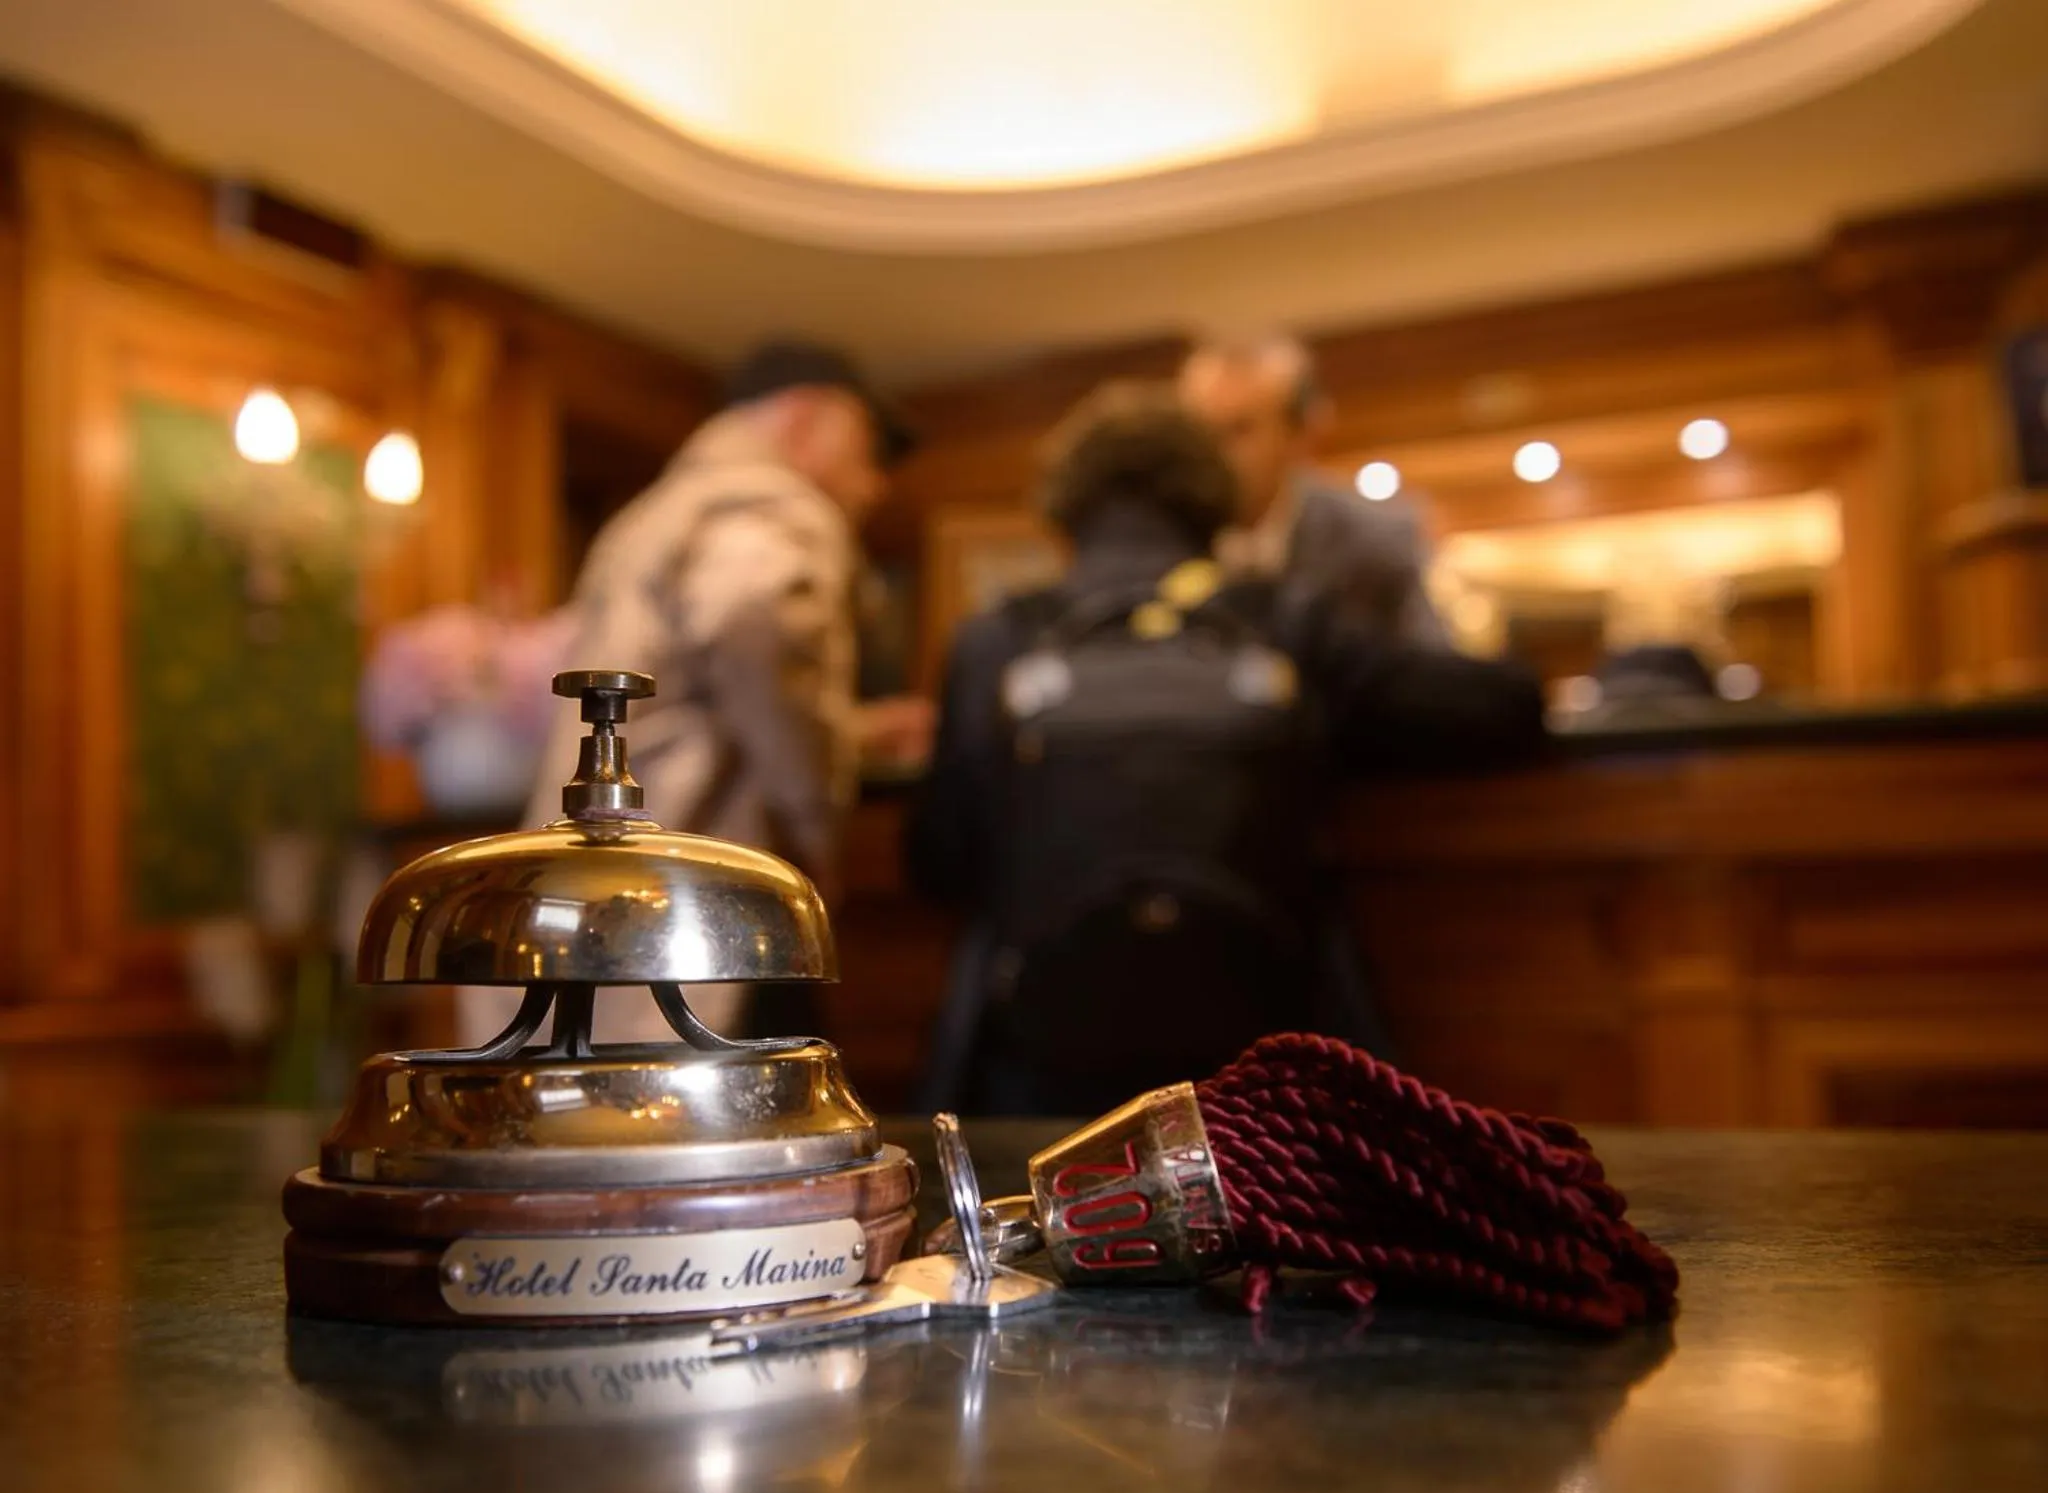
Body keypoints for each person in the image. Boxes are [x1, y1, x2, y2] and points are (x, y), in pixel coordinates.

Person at [906, 383, 1544, 1113]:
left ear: (1065, 507)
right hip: (1262, 1068)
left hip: (1042, 1069)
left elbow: (940, 857)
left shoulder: (996, 641)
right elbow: (1500, 707)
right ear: (1214, 502)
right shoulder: (1282, 621)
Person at [457, 339, 919, 1047]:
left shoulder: (656, 514)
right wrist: (812, 820)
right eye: (865, 448)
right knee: (751, 1125)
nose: (872, 483)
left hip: (603, 885)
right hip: (707, 896)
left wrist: (853, 730)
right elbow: (751, 613)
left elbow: (684, 690)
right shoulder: (772, 507)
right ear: (802, 421)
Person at [1179, 333, 1447, 647]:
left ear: (1300, 434)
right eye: (1200, 432)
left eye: (1239, 430)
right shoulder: (1162, 542)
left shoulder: (1375, 542)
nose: (1214, 453)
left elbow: (1430, 673)